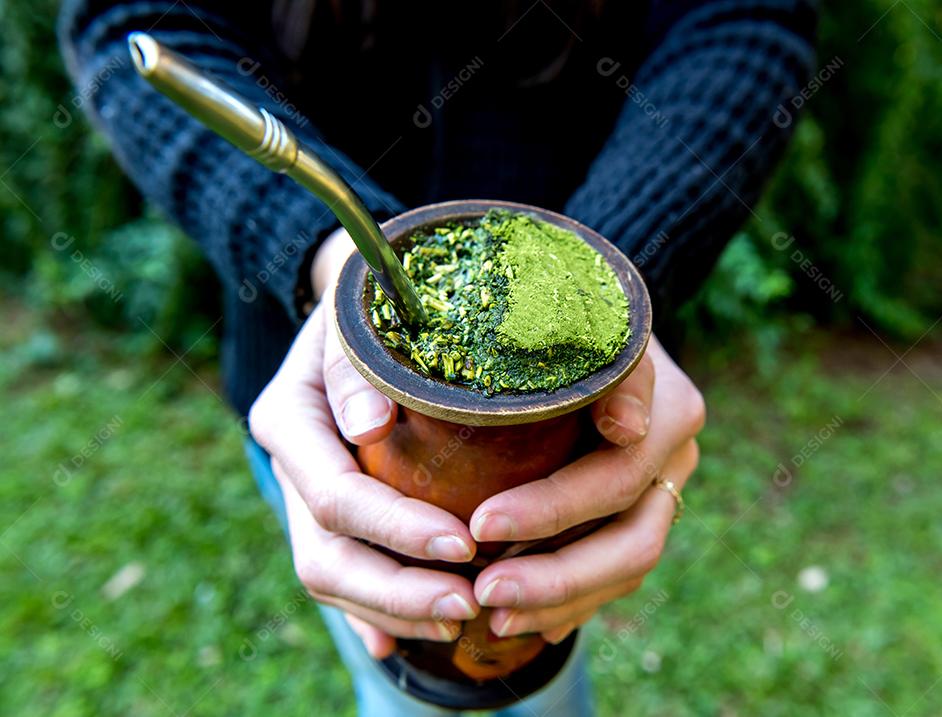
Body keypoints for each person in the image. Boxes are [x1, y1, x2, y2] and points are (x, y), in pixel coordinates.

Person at [59, 1, 817, 714]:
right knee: (399, 676)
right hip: (318, 404)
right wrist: (323, 254)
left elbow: (744, 16)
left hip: (588, 407)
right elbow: (132, 20)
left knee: (540, 671)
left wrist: (606, 268)